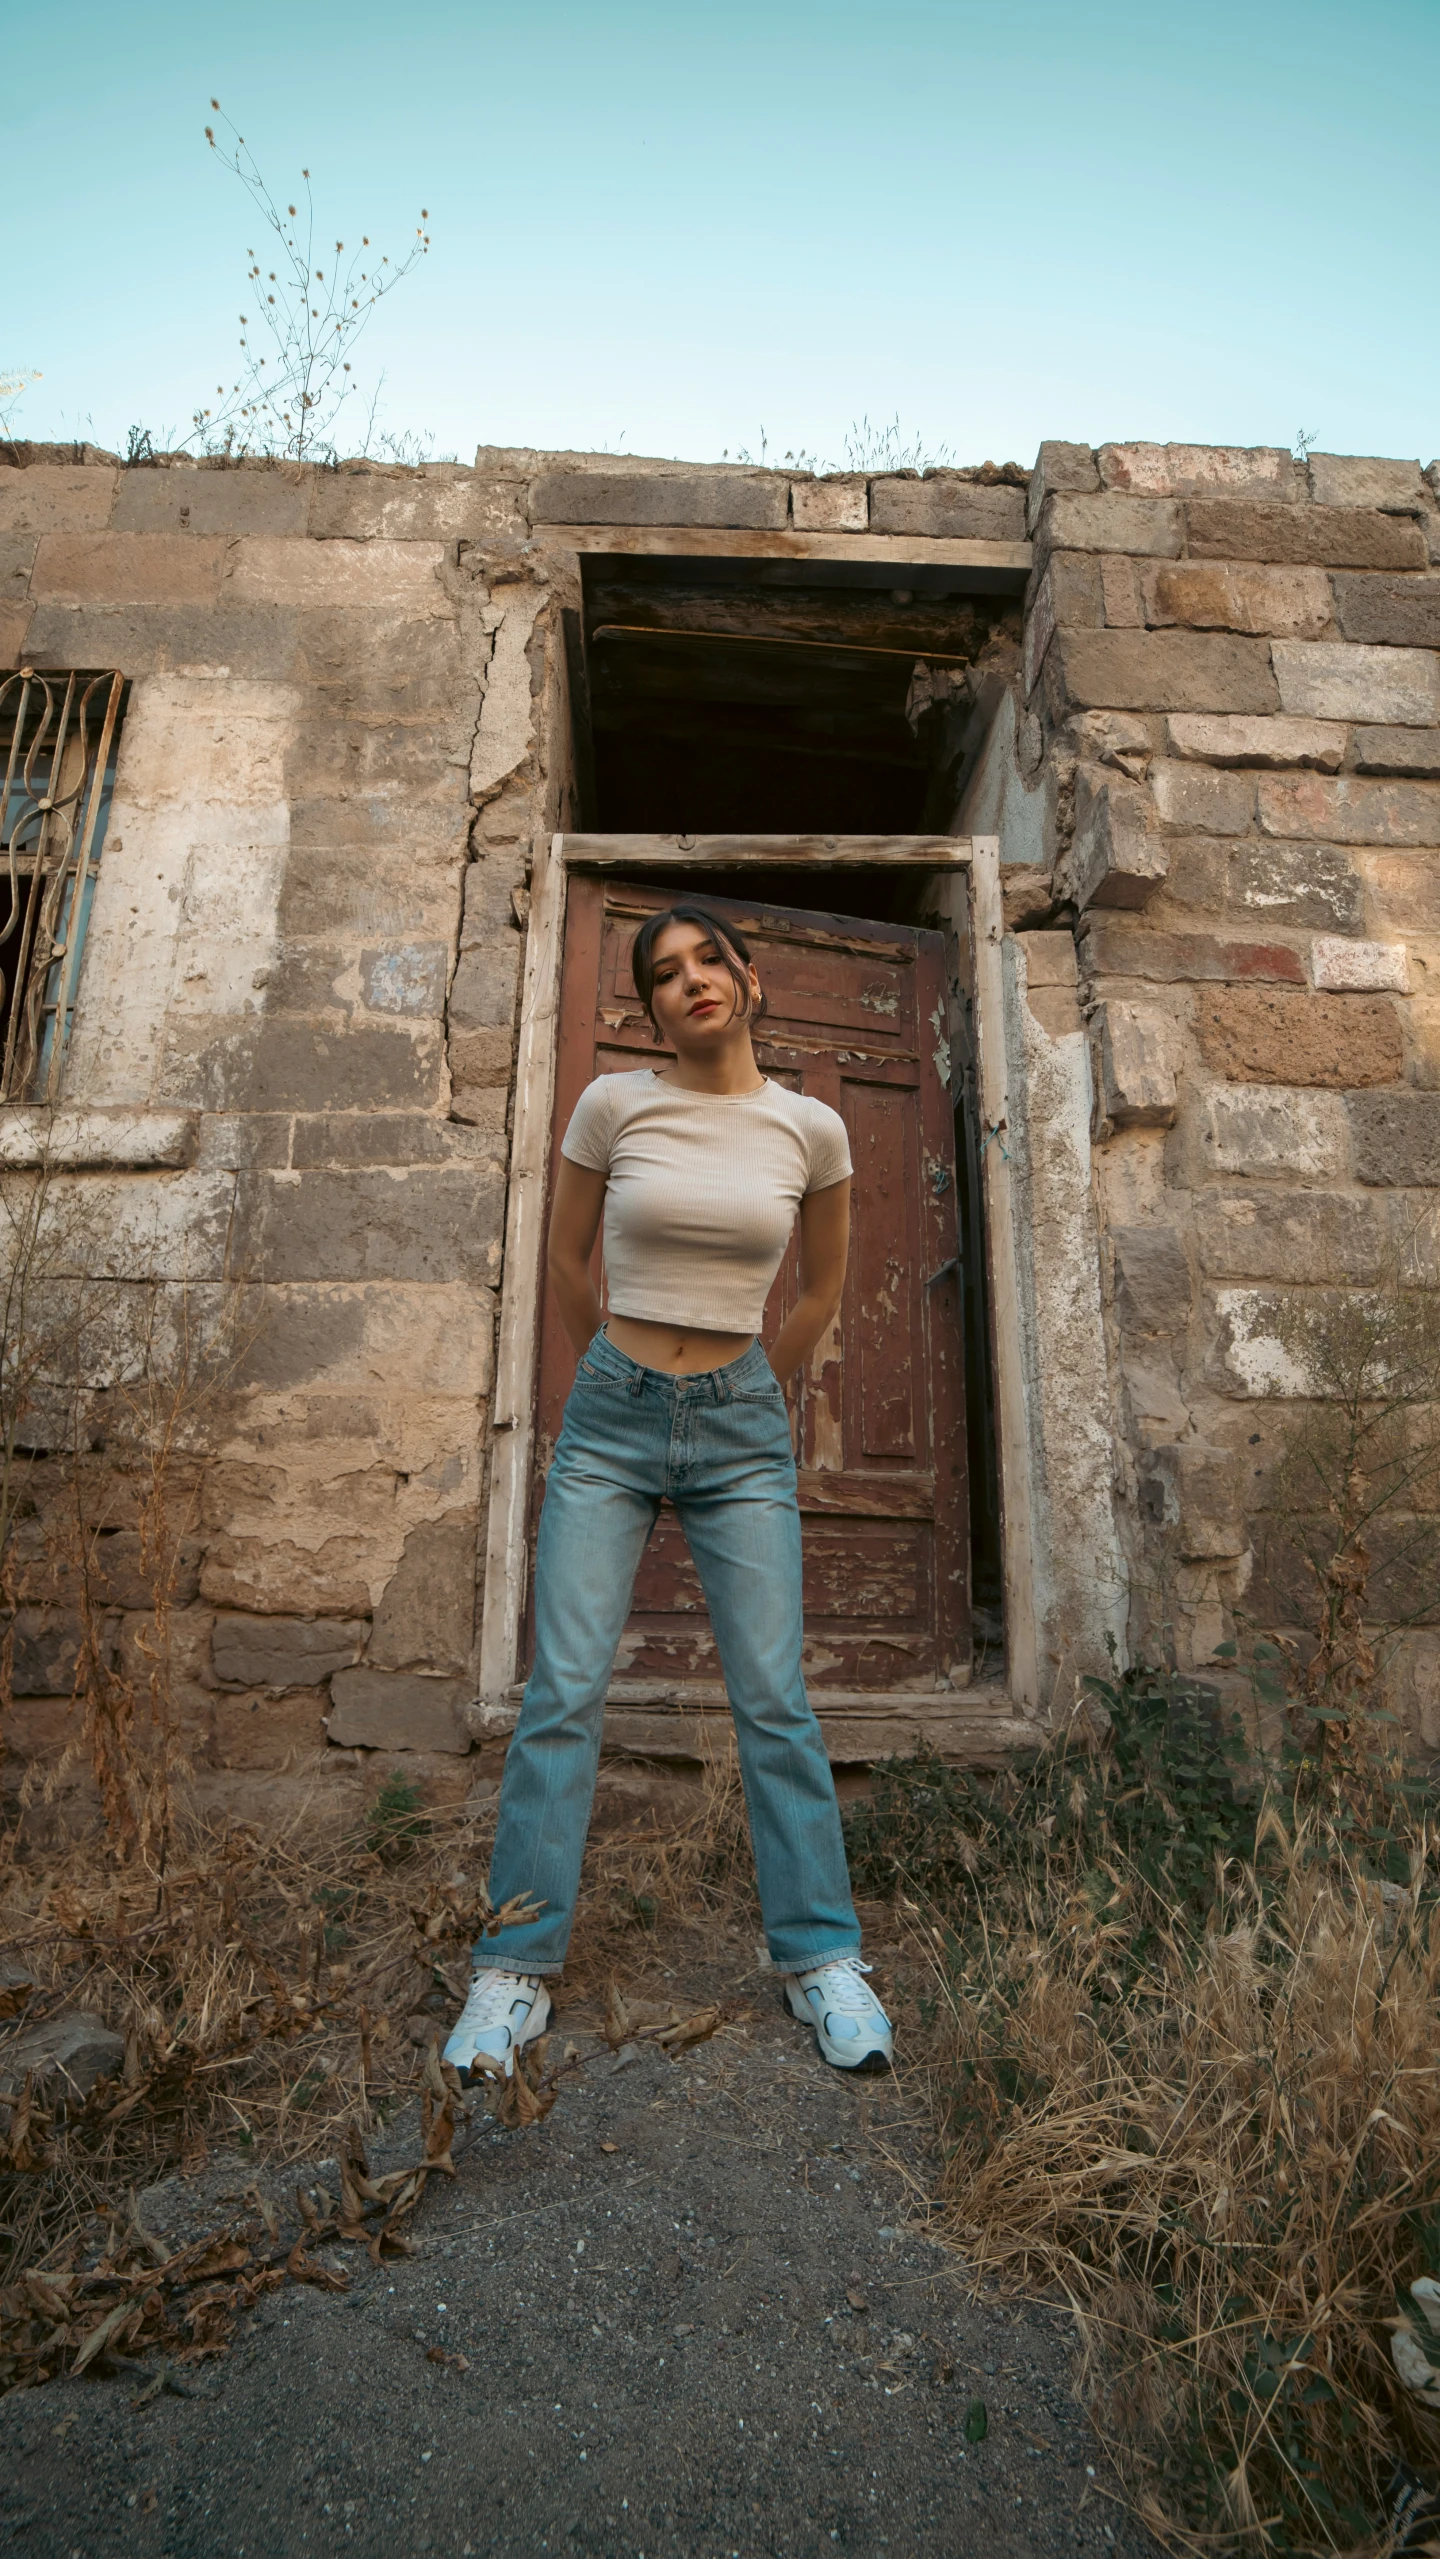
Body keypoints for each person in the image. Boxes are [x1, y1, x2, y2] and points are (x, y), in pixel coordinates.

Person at [443, 900, 893, 2082]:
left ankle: (820, 1955)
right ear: (646, 1006)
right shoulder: (615, 1105)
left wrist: (749, 1391)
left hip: (742, 1432)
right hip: (612, 1423)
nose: (690, 980)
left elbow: (819, 1294)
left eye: (708, 960)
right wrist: (619, 1372)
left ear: (747, 977)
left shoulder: (813, 1129)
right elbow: (568, 1261)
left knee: (774, 1697)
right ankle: (515, 1967)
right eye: (663, 973)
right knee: (566, 1690)